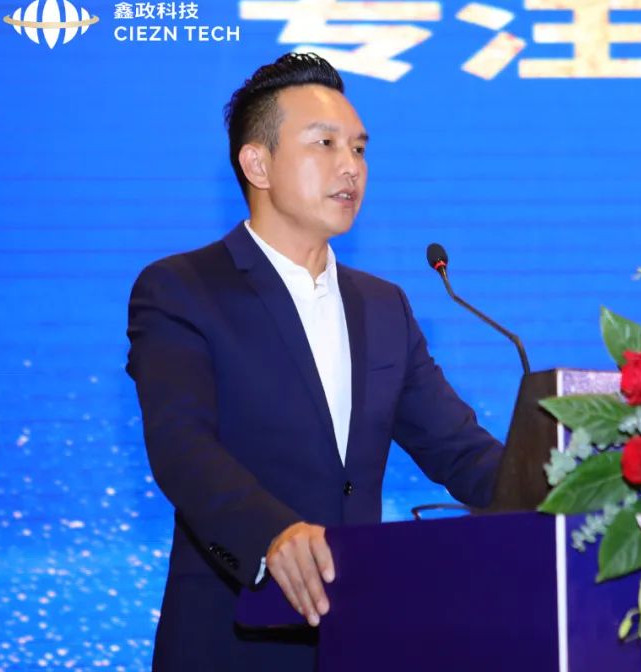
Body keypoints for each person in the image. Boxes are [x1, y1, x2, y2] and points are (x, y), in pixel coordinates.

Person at [125, 52, 504, 670]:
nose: (350, 166)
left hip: (361, 638)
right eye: (324, 144)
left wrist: (581, 492)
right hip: (232, 639)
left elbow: (460, 451)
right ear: (257, 164)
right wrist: (271, 534)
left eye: (358, 148)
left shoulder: (383, 306)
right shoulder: (182, 288)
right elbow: (182, 448)